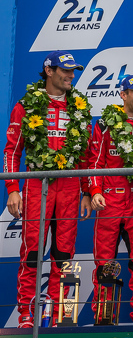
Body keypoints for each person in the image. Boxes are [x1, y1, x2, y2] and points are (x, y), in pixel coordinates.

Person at [3, 51, 91, 328]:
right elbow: (11, 151)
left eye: (73, 71)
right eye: (65, 70)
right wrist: (12, 189)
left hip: (69, 188)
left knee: (63, 255)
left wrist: (87, 190)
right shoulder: (27, 106)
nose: (70, 76)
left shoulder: (79, 107)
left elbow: (86, 156)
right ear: (49, 71)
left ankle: (52, 316)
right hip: (34, 187)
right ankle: (27, 316)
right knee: (32, 254)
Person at [84, 74, 133, 324]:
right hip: (108, 204)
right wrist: (94, 192)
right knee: (104, 267)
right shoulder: (105, 124)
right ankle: (104, 320)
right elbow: (94, 163)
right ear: (123, 95)